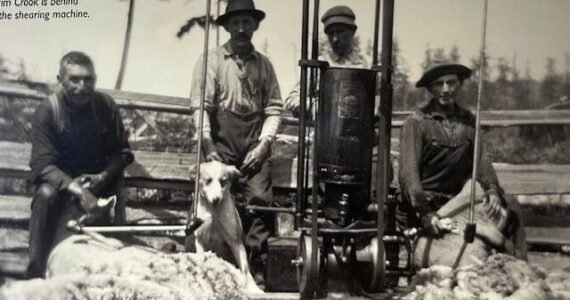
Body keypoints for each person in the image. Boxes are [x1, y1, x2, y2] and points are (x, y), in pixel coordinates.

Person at [189, 0, 283, 287]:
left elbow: (275, 109)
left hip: (254, 142)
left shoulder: (265, 65)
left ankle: (254, 267)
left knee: (260, 200)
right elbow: (199, 106)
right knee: (208, 197)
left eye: (247, 23)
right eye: (235, 23)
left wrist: (264, 144)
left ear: (255, 26)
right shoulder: (212, 60)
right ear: (228, 27)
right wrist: (207, 144)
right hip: (220, 142)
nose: (241, 29)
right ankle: (199, 262)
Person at [397, 59, 527, 259]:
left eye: (451, 82)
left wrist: (492, 189)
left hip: (458, 200)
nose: (446, 89)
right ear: (430, 88)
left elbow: (481, 161)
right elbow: (409, 174)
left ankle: (520, 265)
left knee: (510, 205)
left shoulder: (468, 120)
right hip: (426, 204)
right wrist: (424, 212)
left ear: (460, 85)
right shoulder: (416, 123)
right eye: (439, 84)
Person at [27, 51, 134, 278]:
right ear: (60, 80)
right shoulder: (48, 110)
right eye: (75, 79)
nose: (82, 85)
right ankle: (34, 274)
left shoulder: (105, 106)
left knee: (96, 270)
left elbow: (122, 153)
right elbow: (42, 164)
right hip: (60, 188)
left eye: (88, 79)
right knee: (45, 195)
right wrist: (78, 190)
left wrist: (103, 177)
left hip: (97, 189)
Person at [284, 5, 369, 115]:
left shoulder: (367, 63)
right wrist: (316, 106)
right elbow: (291, 99)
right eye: (330, 33)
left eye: (340, 32)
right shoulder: (318, 65)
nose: (335, 39)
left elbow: (380, 99)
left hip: (361, 130)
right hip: (324, 130)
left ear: (352, 31)